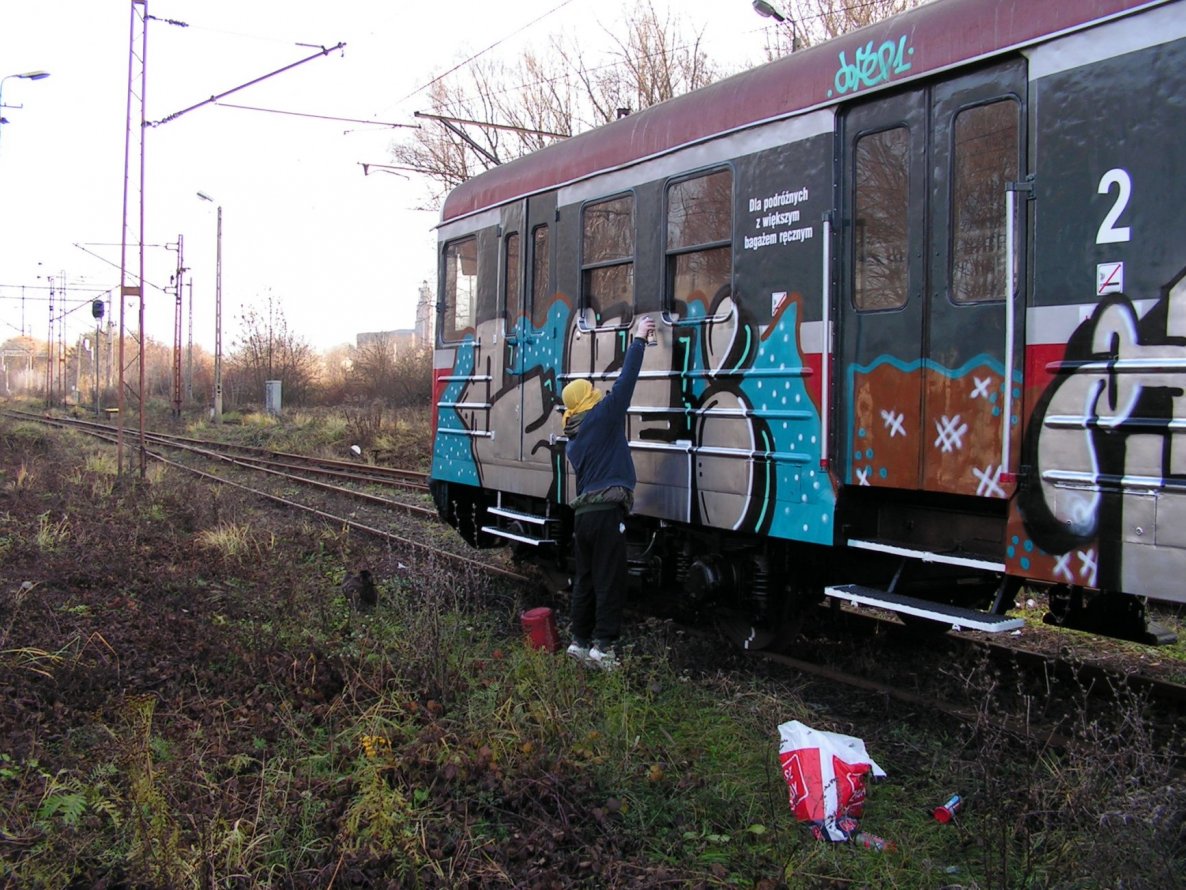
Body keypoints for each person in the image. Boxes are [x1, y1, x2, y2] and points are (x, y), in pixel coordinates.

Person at [560, 314, 655, 670]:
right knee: (609, 580)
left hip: (582, 517)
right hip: (605, 514)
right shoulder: (603, 417)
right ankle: (604, 649)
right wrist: (639, 339)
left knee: (584, 580)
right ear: (589, 400)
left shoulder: (574, 437)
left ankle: (578, 643)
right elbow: (626, 382)